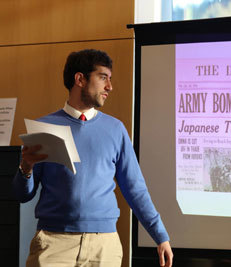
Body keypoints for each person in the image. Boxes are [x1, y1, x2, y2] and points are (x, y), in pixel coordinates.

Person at [13, 49, 173, 267]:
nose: (110, 87)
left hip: (104, 246)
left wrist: (160, 235)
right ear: (80, 79)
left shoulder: (115, 129)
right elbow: (23, 195)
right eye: (103, 77)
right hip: (53, 243)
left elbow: (135, 188)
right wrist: (26, 167)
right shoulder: (44, 128)